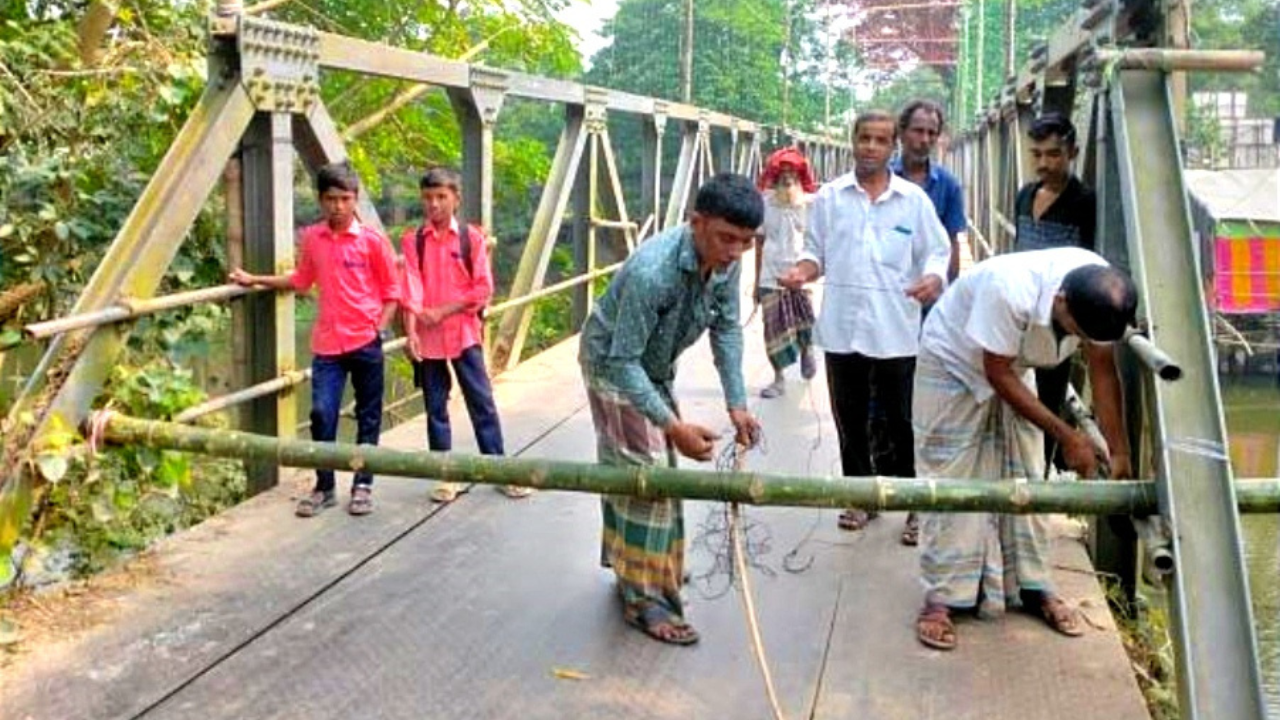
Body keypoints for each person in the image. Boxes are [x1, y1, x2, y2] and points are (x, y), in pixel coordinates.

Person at [912, 248, 1136, 651]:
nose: (1083, 342)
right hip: (955, 357)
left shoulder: (1103, 293)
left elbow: (1104, 371)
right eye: (1078, 332)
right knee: (950, 476)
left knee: (1028, 471)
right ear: (1060, 301)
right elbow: (994, 371)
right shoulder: (1008, 289)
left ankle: (1034, 586)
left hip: (1014, 364)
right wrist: (1069, 437)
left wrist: (1119, 452)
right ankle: (942, 598)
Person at [580, 172, 763, 646]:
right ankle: (646, 600)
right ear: (696, 222)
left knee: (648, 471)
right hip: (613, 365)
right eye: (726, 238)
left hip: (654, 368)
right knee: (648, 476)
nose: (734, 252)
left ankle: (640, 569)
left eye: (745, 242)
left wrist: (737, 402)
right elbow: (622, 361)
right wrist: (674, 424)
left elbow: (726, 328)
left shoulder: (726, 262)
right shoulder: (652, 271)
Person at [779, 110, 950, 533]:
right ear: (852, 141)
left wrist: (932, 278)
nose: (871, 147)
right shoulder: (832, 198)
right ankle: (859, 498)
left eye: (880, 140)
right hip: (842, 328)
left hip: (896, 330)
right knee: (848, 417)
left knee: (902, 421)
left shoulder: (914, 202)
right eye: (864, 139)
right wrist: (803, 271)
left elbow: (937, 252)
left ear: (893, 148)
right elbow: (815, 251)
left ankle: (913, 505)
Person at [230, 162, 401, 518]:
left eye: (345, 198)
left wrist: (379, 330)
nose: (338, 206)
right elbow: (301, 280)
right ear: (321, 200)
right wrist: (255, 280)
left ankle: (362, 485)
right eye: (331, 199)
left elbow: (392, 292)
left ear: (355, 200)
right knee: (322, 412)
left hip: (366, 340)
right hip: (328, 344)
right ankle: (324, 486)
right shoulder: (313, 238)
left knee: (368, 415)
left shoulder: (372, 242)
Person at [400, 167, 529, 503]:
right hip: (427, 338)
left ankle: (499, 469)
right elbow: (410, 285)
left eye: (442, 197)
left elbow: (483, 289)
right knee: (435, 406)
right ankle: (445, 475)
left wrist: (443, 310)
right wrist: (410, 330)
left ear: (456, 199)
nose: (434, 204)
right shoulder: (413, 240)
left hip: (463, 334)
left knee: (481, 402)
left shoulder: (471, 239)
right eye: (428, 197)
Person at [890, 99, 968, 546]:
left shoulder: (948, 186)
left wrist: (952, 298)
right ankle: (881, 492)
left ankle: (918, 504)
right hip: (887, 303)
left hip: (930, 306)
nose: (923, 140)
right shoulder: (885, 175)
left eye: (931, 133)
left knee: (925, 405)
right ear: (902, 132)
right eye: (916, 131)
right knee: (886, 405)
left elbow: (953, 243)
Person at [1014, 112, 1098, 471]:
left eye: (1053, 154)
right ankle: (1017, 473)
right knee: (1014, 396)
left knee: (1048, 399)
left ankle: (1043, 477)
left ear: (1073, 153)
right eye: (1037, 154)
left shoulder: (1086, 201)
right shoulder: (1025, 195)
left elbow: (1094, 260)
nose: (1044, 163)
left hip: (1058, 321)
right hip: (1017, 312)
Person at [754, 147, 819, 399]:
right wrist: (756, 280)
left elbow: (818, 240)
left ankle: (806, 352)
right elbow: (758, 240)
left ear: (799, 174)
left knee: (804, 321)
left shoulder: (811, 203)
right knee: (772, 328)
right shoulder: (765, 202)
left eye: (792, 171)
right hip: (771, 272)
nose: (787, 176)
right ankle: (778, 378)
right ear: (775, 174)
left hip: (799, 270)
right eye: (783, 171)